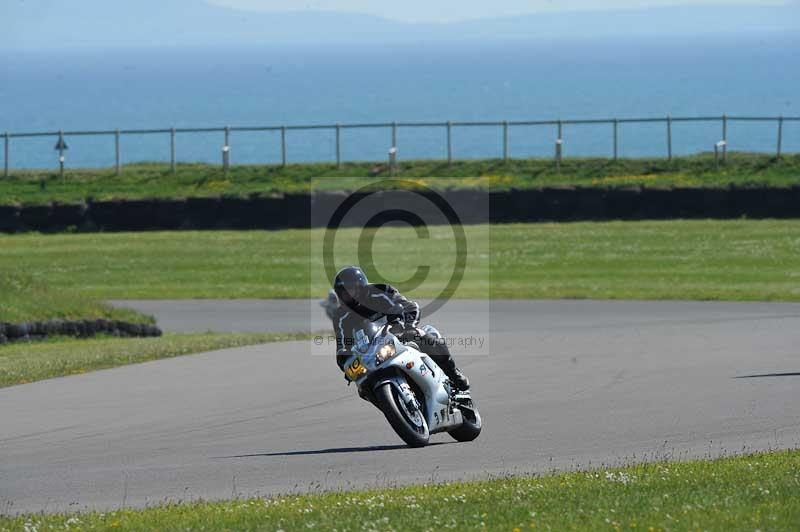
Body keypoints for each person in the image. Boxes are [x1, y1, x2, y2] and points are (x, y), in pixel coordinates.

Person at [331, 266, 469, 390]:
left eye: (351, 290)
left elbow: (410, 307)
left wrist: (408, 327)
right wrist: (345, 361)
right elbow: (343, 344)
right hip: (371, 352)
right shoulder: (341, 315)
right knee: (362, 385)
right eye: (344, 293)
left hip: (398, 336)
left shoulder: (379, 292)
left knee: (421, 335)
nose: (348, 296)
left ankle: (453, 373)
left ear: (360, 286)